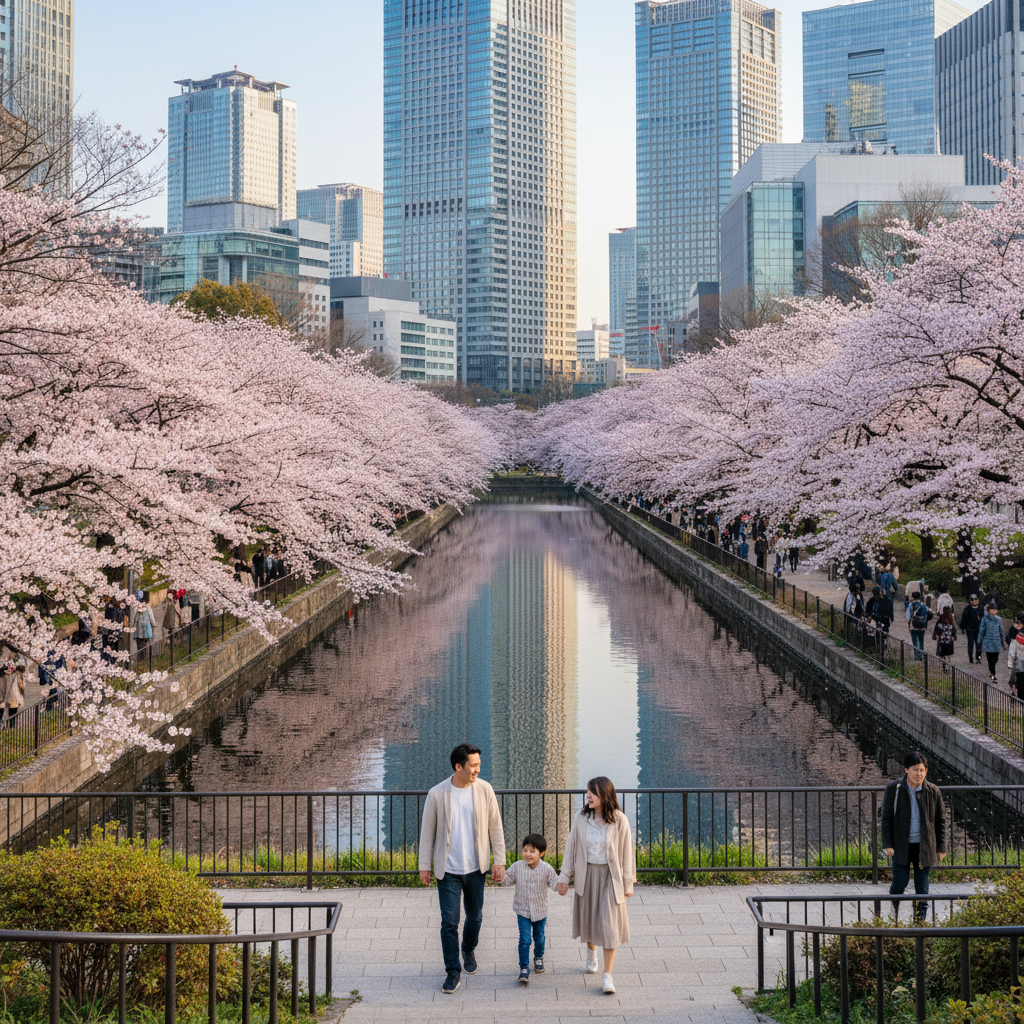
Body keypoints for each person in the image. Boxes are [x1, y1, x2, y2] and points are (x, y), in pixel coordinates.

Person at [418, 743, 506, 995]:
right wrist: (425, 866)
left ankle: (468, 948)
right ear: (459, 766)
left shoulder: (484, 789)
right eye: (474, 765)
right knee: (449, 922)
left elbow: (495, 828)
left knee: (475, 917)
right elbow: (427, 834)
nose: (478, 769)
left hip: (476, 868)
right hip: (448, 871)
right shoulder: (437, 794)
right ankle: (452, 971)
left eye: (479, 764)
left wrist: (499, 861)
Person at [556, 776, 635, 996]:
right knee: (590, 919)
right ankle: (591, 950)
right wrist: (564, 877)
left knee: (610, 924)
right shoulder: (581, 818)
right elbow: (571, 847)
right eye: (588, 791)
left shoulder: (620, 820)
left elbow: (627, 853)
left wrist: (628, 883)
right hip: (587, 873)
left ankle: (607, 976)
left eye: (593, 792)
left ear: (604, 795)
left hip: (611, 877)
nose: (588, 796)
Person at [881, 751, 946, 921]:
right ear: (906, 770)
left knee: (922, 886)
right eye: (915, 770)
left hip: (924, 846)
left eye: (922, 770)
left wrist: (941, 846)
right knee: (900, 881)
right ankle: (893, 914)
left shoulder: (933, 791)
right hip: (901, 845)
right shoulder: (894, 789)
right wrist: (887, 843)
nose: (919, 774)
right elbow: (886, 819)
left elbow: (940, 821)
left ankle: (920, 922)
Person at [501, 833, 561, 984]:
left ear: (541, 853)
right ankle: (524, 967)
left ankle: (538, 957)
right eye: (525, 850)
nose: (528, 854)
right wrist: (499, 876)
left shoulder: (546, 869)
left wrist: (562, 885)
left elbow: (555, 884)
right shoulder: (517, 867)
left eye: (532, 851)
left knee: (539, 937)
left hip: (540, 911)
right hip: (522, 910)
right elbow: (506, 880)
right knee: (524, 939)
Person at [977, 603, 1006, 683]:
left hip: (996, 641)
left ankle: (992, 671)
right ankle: (993, 673)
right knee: (990, 659)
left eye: (995, 610)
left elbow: (1001, 631)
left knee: (995, 658)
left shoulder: (998, 619)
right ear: (988, 611)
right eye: (992, 610)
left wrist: (1003, 641)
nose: (994, 612)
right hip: (988, 641)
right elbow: (981, 630)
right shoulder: (985, 619)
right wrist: (979, 641)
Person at [959, 595, 985, 665]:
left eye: (975, 599)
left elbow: (984, 618)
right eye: (972, 599)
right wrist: (962, 627)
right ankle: (971, 659)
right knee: (970, 644)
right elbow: (964, 619)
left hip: (978, 629)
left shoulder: (981, 608)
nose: (974, 601)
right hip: (970, 629)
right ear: (970, 601)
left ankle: (978, 657)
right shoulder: (967, 609)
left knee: (979, 644)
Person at [906, 591, 932, 661]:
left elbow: (908, 617)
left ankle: (917, 656)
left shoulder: (911, 605)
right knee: (921, 641)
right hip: (922, 626)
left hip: (913, 626)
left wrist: (909, 623)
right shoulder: (923, 605)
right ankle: (921, 655)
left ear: (913, 597)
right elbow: (930, 613)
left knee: (915, 642)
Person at [1, 658, 24, 726]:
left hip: (13, 685)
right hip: (3, 683)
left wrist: (16, 668)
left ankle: (12, 726)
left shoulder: (16, 656)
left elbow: (23, 667)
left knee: (13, 706)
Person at [1006, 625, 1024, 697]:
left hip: (1019, 666)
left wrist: (1011, 663)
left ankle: (1015, 688)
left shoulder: (1017, 638)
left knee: (1017, 681)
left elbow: (1012, 654)